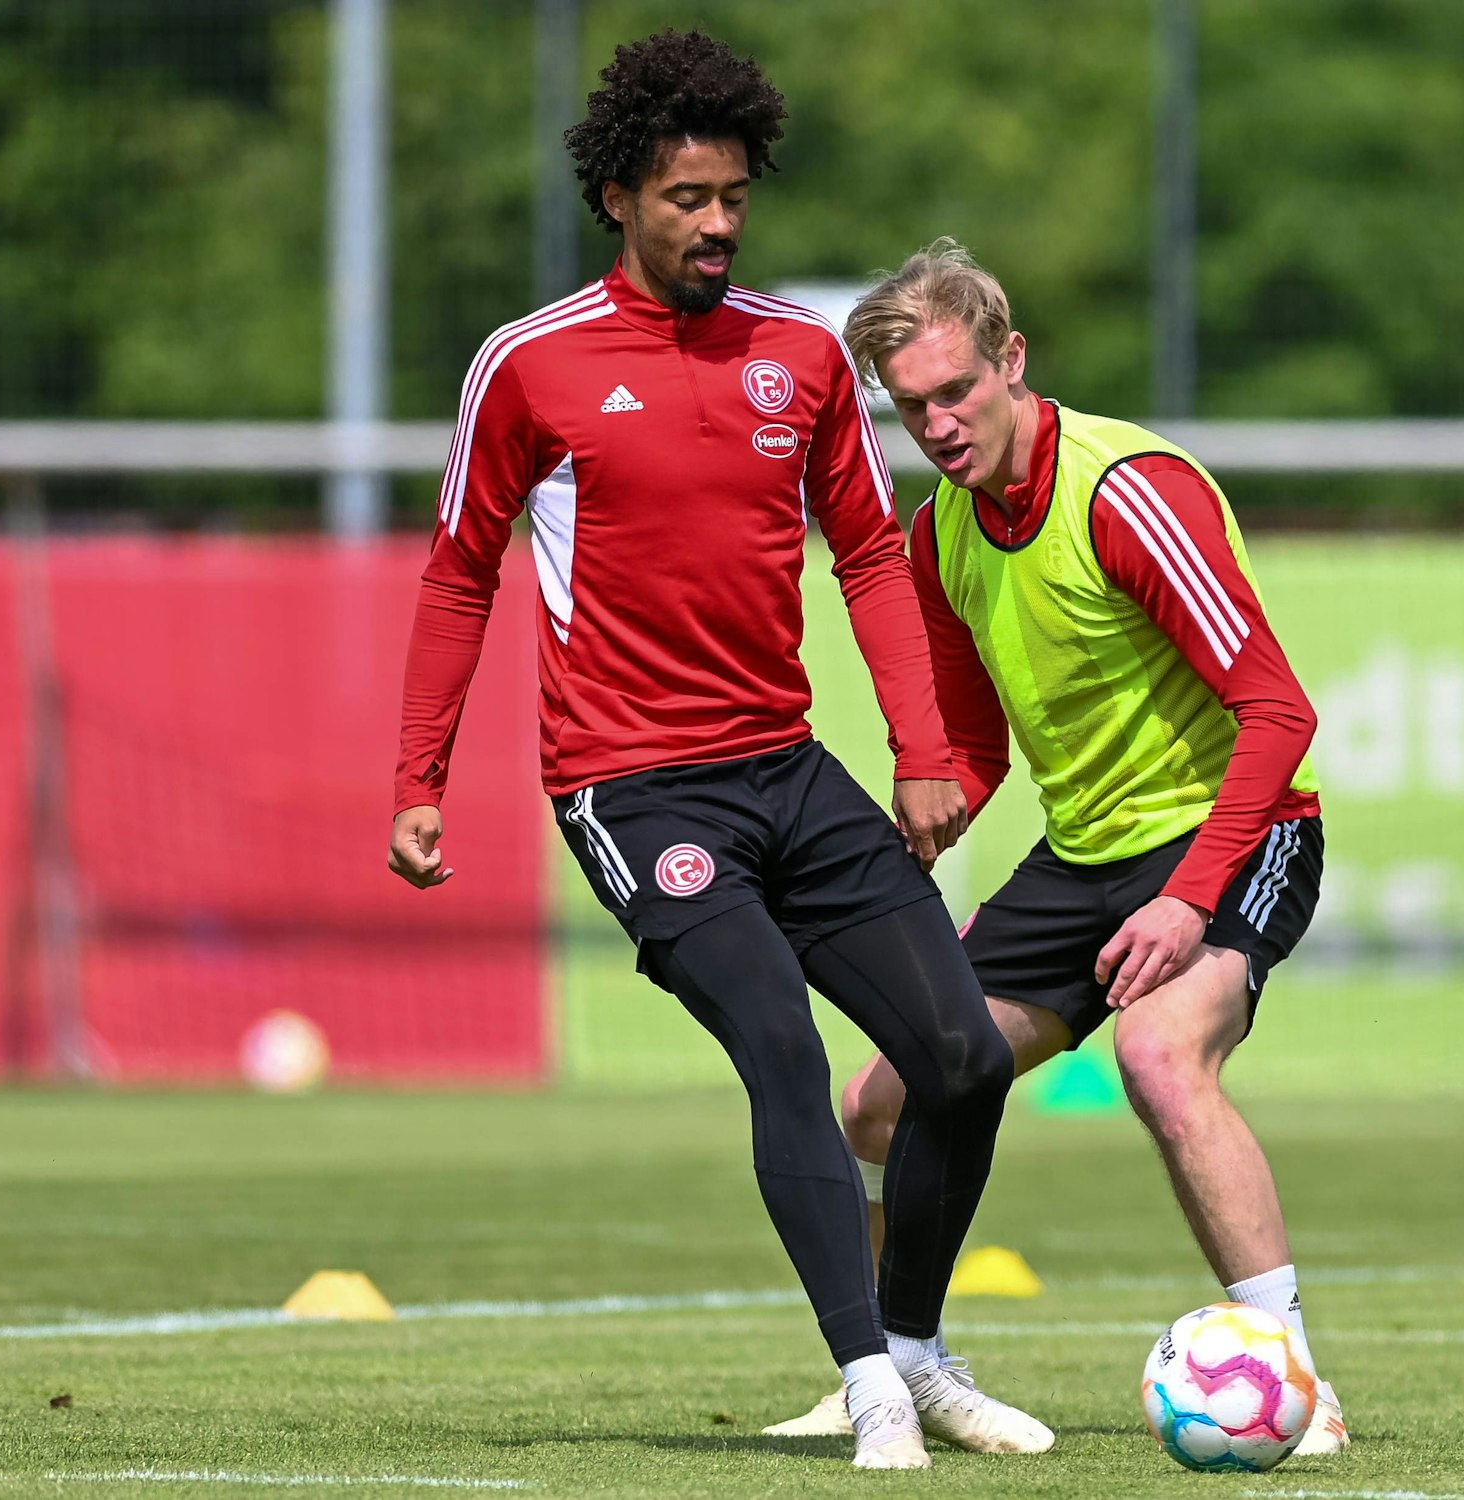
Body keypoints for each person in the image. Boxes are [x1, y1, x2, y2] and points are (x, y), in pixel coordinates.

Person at [387, 40, 1050, 1469]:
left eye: (735, 196)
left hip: (789, 768)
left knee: (962, 1058)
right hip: (628, 782)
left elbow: (872, 553)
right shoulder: (528, 365)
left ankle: (919, 1348)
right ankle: (868, 1378)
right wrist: (418, 780)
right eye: (688, 197)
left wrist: (924, 750)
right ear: (619, 196)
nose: (719, 223)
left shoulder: (800, 355)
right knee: (781, 1048)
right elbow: (458, 575)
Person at [767, 239, 1348, 1456]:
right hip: (1080, 861)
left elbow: (1277, 714)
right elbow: (973, 745)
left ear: (1010, 360)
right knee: (876, 1099)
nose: (936, 422)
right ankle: (888, 1360)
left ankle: (1290, 1376)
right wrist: (908, 832)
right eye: (909, 406)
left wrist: (1189, 902)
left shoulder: (1126, 491)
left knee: (1154, 1053)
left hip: (1234, 833)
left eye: (955, 390)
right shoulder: (938, 539)